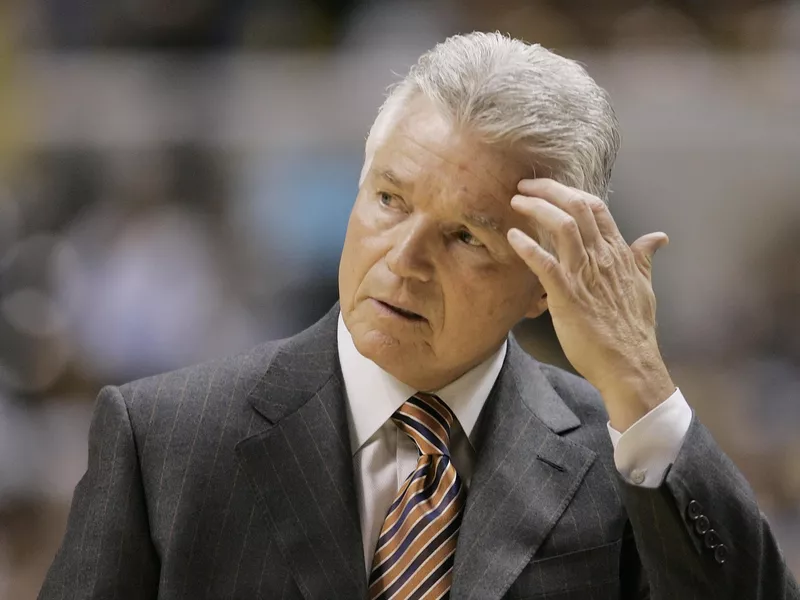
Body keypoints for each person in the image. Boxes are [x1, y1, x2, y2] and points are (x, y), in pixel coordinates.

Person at [39, 32, 799, 600]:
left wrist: (640, 383)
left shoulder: (627, 461)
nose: (402, 259)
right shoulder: (163, 441)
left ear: (545, 283)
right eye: (389, 200)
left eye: (466, 236)